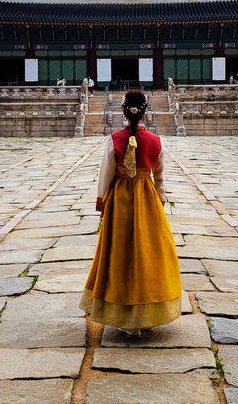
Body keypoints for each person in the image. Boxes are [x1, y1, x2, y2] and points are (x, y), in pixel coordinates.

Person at [80, 90, 182, 338]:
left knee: (120, 252)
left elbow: (106, 175)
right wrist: (160, 199)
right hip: (146, 198)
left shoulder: (114, 139)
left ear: (123, 111)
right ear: (145, 110)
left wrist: (102, 203)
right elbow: (160, 177)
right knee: (148, 251)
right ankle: (148, 312)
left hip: (120, 200)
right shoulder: (157, 141)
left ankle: (125, 317)